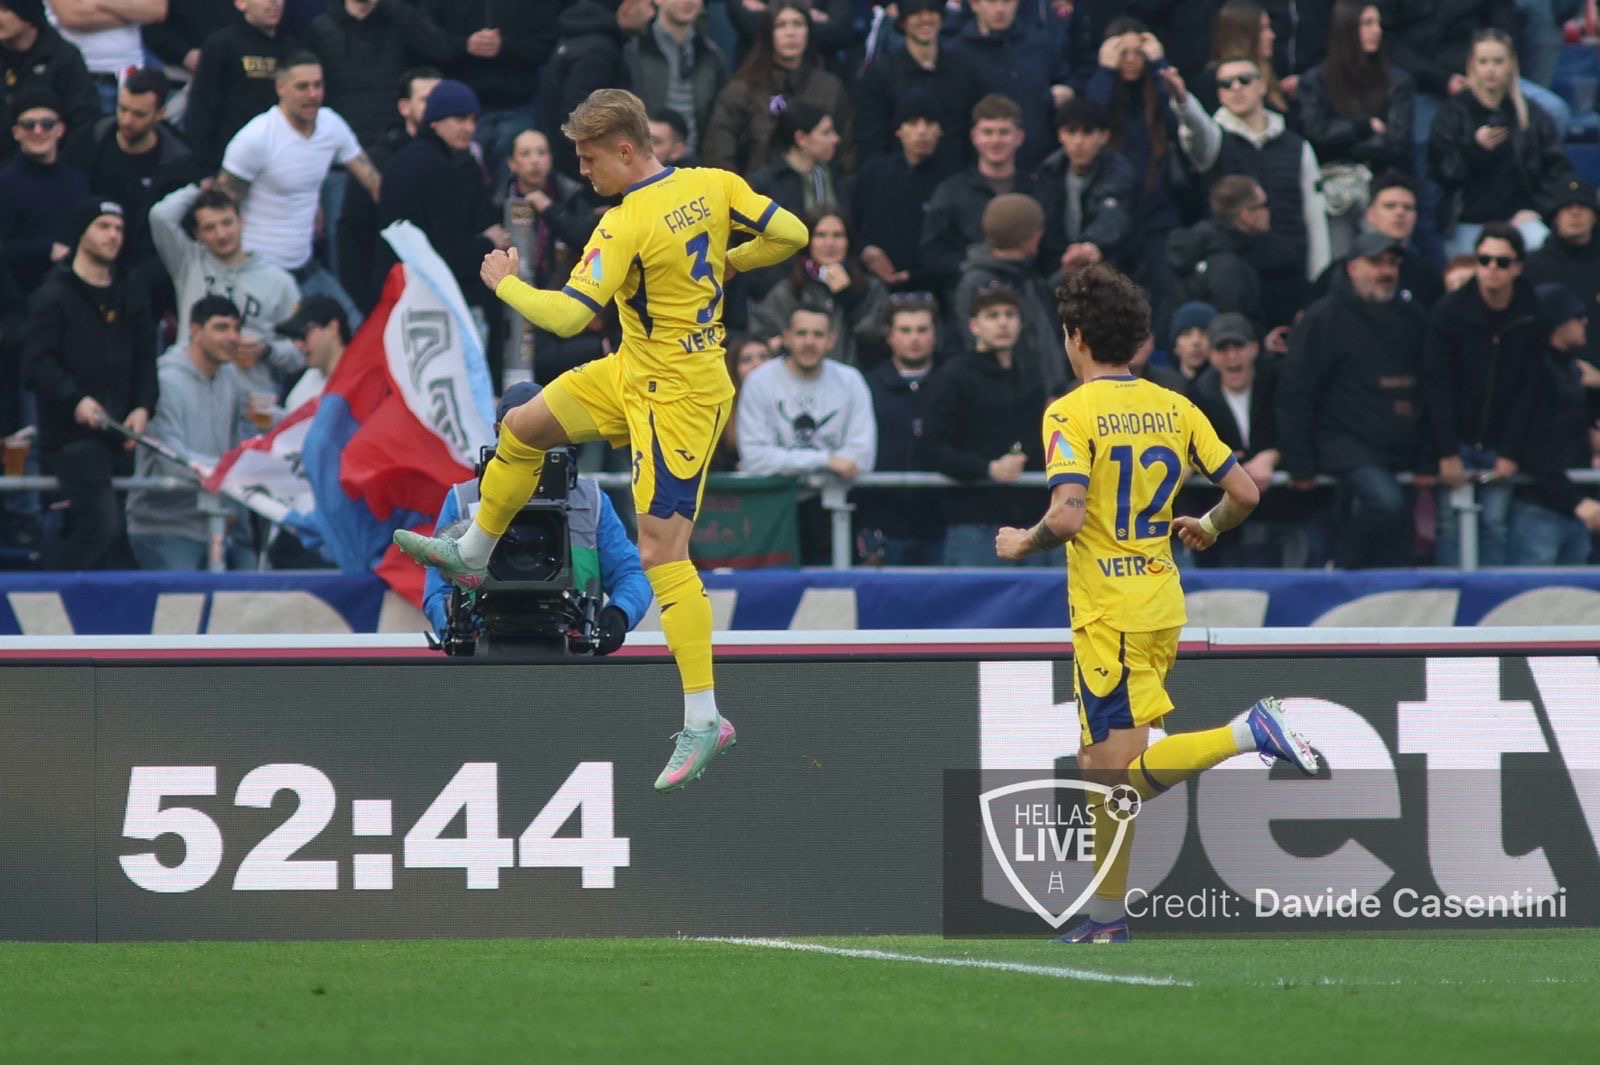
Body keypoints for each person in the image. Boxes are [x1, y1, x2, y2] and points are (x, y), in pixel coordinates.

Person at [393, 88, 808, 792]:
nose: (583, 173)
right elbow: (792, 236)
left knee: (661, 552)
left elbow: (562, 317)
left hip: (679, 396)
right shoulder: (714, 183)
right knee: (521, 428)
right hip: (632, 371)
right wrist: (728, 263)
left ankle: (706, 718)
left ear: (624, 149)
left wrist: (507, 284)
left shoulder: (624, 225)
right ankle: (474, 549)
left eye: (588, 160)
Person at [994, 263, 1317, 944]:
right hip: (1160, 601)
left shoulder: (1069, 411)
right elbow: (1248, 492)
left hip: (1109, 613)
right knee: (1099, 767)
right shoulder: (1177, 406)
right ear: (1137, 340)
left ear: (1076, 337)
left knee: (1113, 779)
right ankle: (1107, 919)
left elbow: (1067, 515)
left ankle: (1247, 731)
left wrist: (1020, 543)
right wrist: (1211, 524)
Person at [423, 380, 653, 647]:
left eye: (539, 425)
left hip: (571, 650)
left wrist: (618, 614)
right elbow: (436, 590)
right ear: (498, 430)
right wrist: (453, 620)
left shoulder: (591, 502)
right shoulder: (463, 500)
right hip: (483, 650)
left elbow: (632, 573)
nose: (530, 437)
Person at [1278, 230, 1430, 569]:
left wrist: (1427, 456)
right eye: (1376, 262)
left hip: (1401, 444)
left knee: (1399, 537)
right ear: (1352, 268)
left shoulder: (1413, 318)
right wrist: (1298, 459)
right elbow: (1296, 391)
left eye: (1393, 263)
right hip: (1344, 443)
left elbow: (1431, 388)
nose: (1386, 271)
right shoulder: (1323, 318)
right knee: (1386, 504)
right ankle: (1343, 567)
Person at [22, 198, 157, 570]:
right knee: (99, 527)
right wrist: (75, 400)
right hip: (72, 433)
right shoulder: (53, 295)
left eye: (119, 228)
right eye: (103, 226)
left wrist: (144, 406)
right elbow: (37, 363)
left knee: (114, 535)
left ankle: (98, 618)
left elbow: (147, 355)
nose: (113, 235)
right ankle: (44, 602)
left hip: (122, 429)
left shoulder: (130, 290)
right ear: (82, 232)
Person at [216, 52, 382, 327]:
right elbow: (220, 206)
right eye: (302, 87)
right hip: (261, 271)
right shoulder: (256, 138)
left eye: (318, 85)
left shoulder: (331, 125)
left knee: (354, 330)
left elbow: (373, 181)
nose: (313, 94)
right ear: (281, 88)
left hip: (307, 268)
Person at [1425, 222, 1547, 567]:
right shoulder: (1448, 313)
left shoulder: (1531, 314)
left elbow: (1531, 388)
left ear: (1518, 266)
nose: (1492, 268)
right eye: (1484, 259)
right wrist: (1447, 450)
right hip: (1456, 439)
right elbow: (1437, 386)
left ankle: (1492, 614)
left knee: (1495, 525)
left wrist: (1511, 449)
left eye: (1502, 262)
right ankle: (1449, 611)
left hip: (1500, 441)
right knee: (1449, 524)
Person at [736, 300, 878, 567]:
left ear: (832, 340)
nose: (809, 342)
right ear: (787, 337)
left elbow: (861, 458)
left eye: (818, 334)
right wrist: (826, 462)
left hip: (834, 512)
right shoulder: (760, 381)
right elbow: (754, 458)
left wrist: (791, 467)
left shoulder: (851, 381)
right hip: (772, 513)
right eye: (801, 333)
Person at [125, 295, 258, 571]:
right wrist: (226, 476)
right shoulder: (164, 380)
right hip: (164, 526)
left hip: (217, 522)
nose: (233, 337)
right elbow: (169, 460)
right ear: (195, 331)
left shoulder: (229, 376)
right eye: (221, 328)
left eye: (236, 328)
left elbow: (234, 446)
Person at [922, 282, 1050, 567]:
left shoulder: (1031, 376)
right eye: (992, 315)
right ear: (974, 326)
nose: (1003, 322)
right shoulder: (952, 377)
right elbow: (932, 447)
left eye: (1010, 314)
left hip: (1031, 522)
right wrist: (987, 468)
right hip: (975, 523)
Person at [148, 182, 302, 399]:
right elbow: (160, 216)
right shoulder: (189, 262)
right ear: (197, 234)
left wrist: (266, 350)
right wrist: (200, 189)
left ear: (241, 222)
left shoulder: (279, 281)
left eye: (227, 223)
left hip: (250, 398)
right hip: (193, 390)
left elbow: (301, 351)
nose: (221, 234)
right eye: (209, 228)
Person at [1427, 29, 1571, 258]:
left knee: (1542, 243)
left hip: (1517, 221)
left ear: (1512, 64)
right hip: (1467, 222)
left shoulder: (1532, 116)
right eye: (1483, 61)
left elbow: (1556, 171)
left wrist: (1539, 210)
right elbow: (1441, 172)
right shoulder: (1454, 113)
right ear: (1472, 64)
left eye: (1498, 61)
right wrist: (1474, 148)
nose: (1491, 69)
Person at [376, 80, 508, 309]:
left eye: (472, 120)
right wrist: (489, 242)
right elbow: (450, 251)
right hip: (434, 298)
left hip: (398, 291)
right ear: (435, 122)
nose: (469, 128)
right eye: (460, 119)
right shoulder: (441, 170)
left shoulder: (401, 160)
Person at [1297, 2, 1414, 259]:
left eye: (1378, 24)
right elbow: (1316, 136)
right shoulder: (1316, 80)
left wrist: (1347, 142)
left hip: (1382, 184)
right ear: (1346, 28)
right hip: (1335, 188)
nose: (1376, 31)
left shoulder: (1397, 80)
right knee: (1341, 261)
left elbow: (1397, 142)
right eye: (1367, 23)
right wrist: (1365, 127)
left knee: (1386, 259)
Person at [700, 1, 854, 176]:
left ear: (809, 32)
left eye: (798, 24)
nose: (791, 33)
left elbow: (846, 155)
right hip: (756, 196)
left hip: (817, 195)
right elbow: (719, 155)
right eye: (780, 25)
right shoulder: (741, 90)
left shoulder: (830, 89)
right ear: (767, 33)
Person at [1508, 283, 1600, 564]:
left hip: (1573, 507)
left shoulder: (1575, 370)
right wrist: (1576, 501)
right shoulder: (1535, 372)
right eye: (1576, 315)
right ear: (1557, 322)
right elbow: (1533, 447)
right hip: (1542, 509)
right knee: (1535, 600)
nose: (1585, 321)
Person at [68, 67, 191, 270]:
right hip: (89, 260)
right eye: (122, 109)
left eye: (138, 114)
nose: (126, 120)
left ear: (160, 114)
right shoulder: (92, 140)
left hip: (144, 265)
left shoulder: (177, 162)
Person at [918, 93, 1034, 303]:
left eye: (1004, 132)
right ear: (974, 137)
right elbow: (932, 253)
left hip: (1029, 295)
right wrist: (970, 266)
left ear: (1020, 137)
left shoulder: (1038, 188)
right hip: (970, 300)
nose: (995, 140)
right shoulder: (950, 191)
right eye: (988, 132)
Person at [951, 193, 1069, 398]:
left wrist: (1065, 276)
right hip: (1016, 402)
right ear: (1026, 237)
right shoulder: (978, 283)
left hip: (1049, 396)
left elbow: (1040, 318)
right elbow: (978, 350)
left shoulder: (1022, 273)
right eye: (1037, 230)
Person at [859, 292, 944, 565]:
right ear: (890, 336)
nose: (914, 338)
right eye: (905, 330)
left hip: (941, 523)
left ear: (935, 334)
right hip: (883, 523)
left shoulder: (952, 383)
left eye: (922, 329)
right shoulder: (867, 386)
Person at [852, 0, 981, 176]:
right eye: (916, 12)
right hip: (898, 180)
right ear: (903, 21)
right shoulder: (881, 74)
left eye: (932, 11)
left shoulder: (961, 70)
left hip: (954, 179)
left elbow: (969, 130)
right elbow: (871, 137)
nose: (926, 18)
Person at [945, 0, 1075, 172]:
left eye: (1007, 1)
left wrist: (1067, 91)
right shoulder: (956, 54)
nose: (1000, 9)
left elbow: (1066, 78)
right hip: (980, 170)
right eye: (991, 2)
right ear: (975, 4)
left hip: (1039, 165)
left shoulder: (1039, 44)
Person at [750, 205, 887, 367]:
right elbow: (760, 331)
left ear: (849, 241)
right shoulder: (789, 290)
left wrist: (850, 298)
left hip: (854, 382)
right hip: (800, 383)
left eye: (838, 235)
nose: (829, 243)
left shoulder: (871, 288)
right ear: (808, 241)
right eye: (821, 235)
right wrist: (785, 349)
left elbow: (879, 337)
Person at [184, 0, 297, 179]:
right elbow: (201, 109)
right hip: (228, 164)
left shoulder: (292, 48)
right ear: (241, 3)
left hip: (280, 165)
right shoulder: (222, 44)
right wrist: (204, 169)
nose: (274, 3)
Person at [853, 91, 951, 296]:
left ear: (940, 130)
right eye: (913, 123)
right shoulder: (872, 174)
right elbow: (850, 224)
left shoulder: (952, 180)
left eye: (930, 123)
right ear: (899, 130)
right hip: (874, 289)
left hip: (936, 292)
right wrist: (865, 250)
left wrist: (919, 275)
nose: (922, 131)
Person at [1032, 97, 1138, 279]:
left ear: (1104, 136)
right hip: (1056, 269)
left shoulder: (1118, 172)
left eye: (1087, 133)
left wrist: (1091, 245)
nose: (1078, 142)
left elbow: (1113, 215)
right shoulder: (1047, 172)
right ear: (1060, 135)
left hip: (1111, 269)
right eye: (1071, 132)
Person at [1307, 171, 1443, 308]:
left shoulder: (1428, 278)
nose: (1400, 213)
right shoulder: (1337, 273)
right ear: (1370, 214)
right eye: (1390, 206)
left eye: (1408, 208)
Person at [621, 0, 726, 160]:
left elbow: (720, 122)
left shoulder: (712, 57)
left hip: (697, 166)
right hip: (644, 164)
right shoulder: (632, 52)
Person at [0, 0, 100, 165]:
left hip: (53, 170)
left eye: (5, 10)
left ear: (27, 15)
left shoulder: (64, 58)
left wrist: (58, 170)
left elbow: (84, 120)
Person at [1525, 179, 1600, 367]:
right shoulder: (1531, 266)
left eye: (1583, 206)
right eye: (1567, 207)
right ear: (1555, 217)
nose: (1575, 213)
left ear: (1595, 217)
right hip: (1547, 375)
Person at [748, 99, 848, 220]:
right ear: (801, 138)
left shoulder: (835, 178)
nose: (836, 139)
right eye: (826, 133)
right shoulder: (765, 183)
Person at [277, 294, 348, 410]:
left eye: (302, 334)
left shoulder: (374, 369)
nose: (298, 345)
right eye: (294, 337)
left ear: (332, 327)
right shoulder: (299, 398)